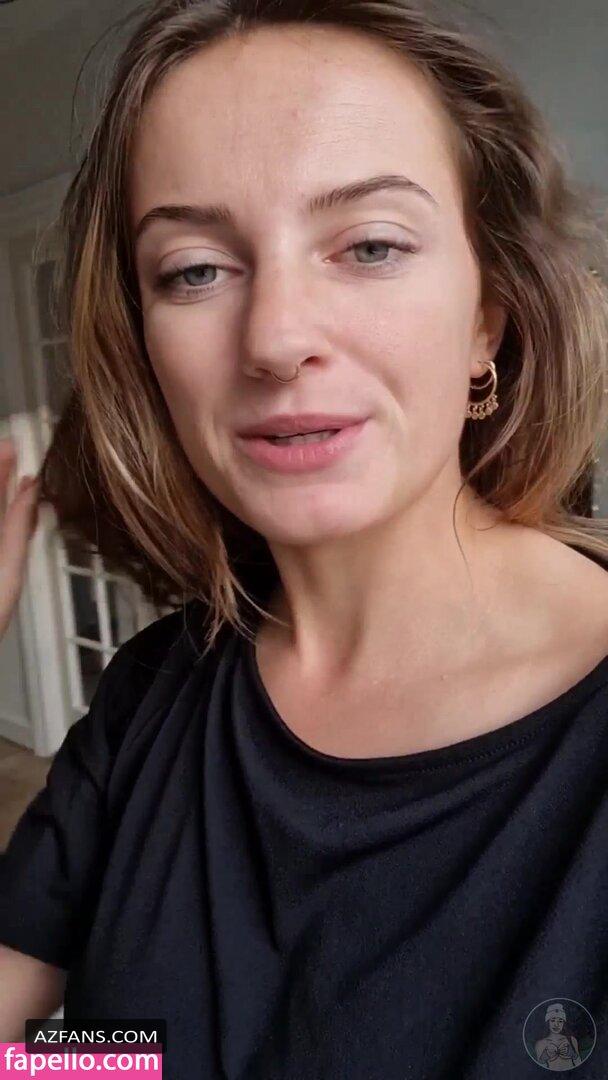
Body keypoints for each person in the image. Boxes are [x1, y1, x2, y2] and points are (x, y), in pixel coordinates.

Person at [1, 0, 608, 1075]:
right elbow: (31, 1040)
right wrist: (115, 1064)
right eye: (194, 269)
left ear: (489, 314)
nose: (276, 338)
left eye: (370, 245)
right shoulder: (153, 693)